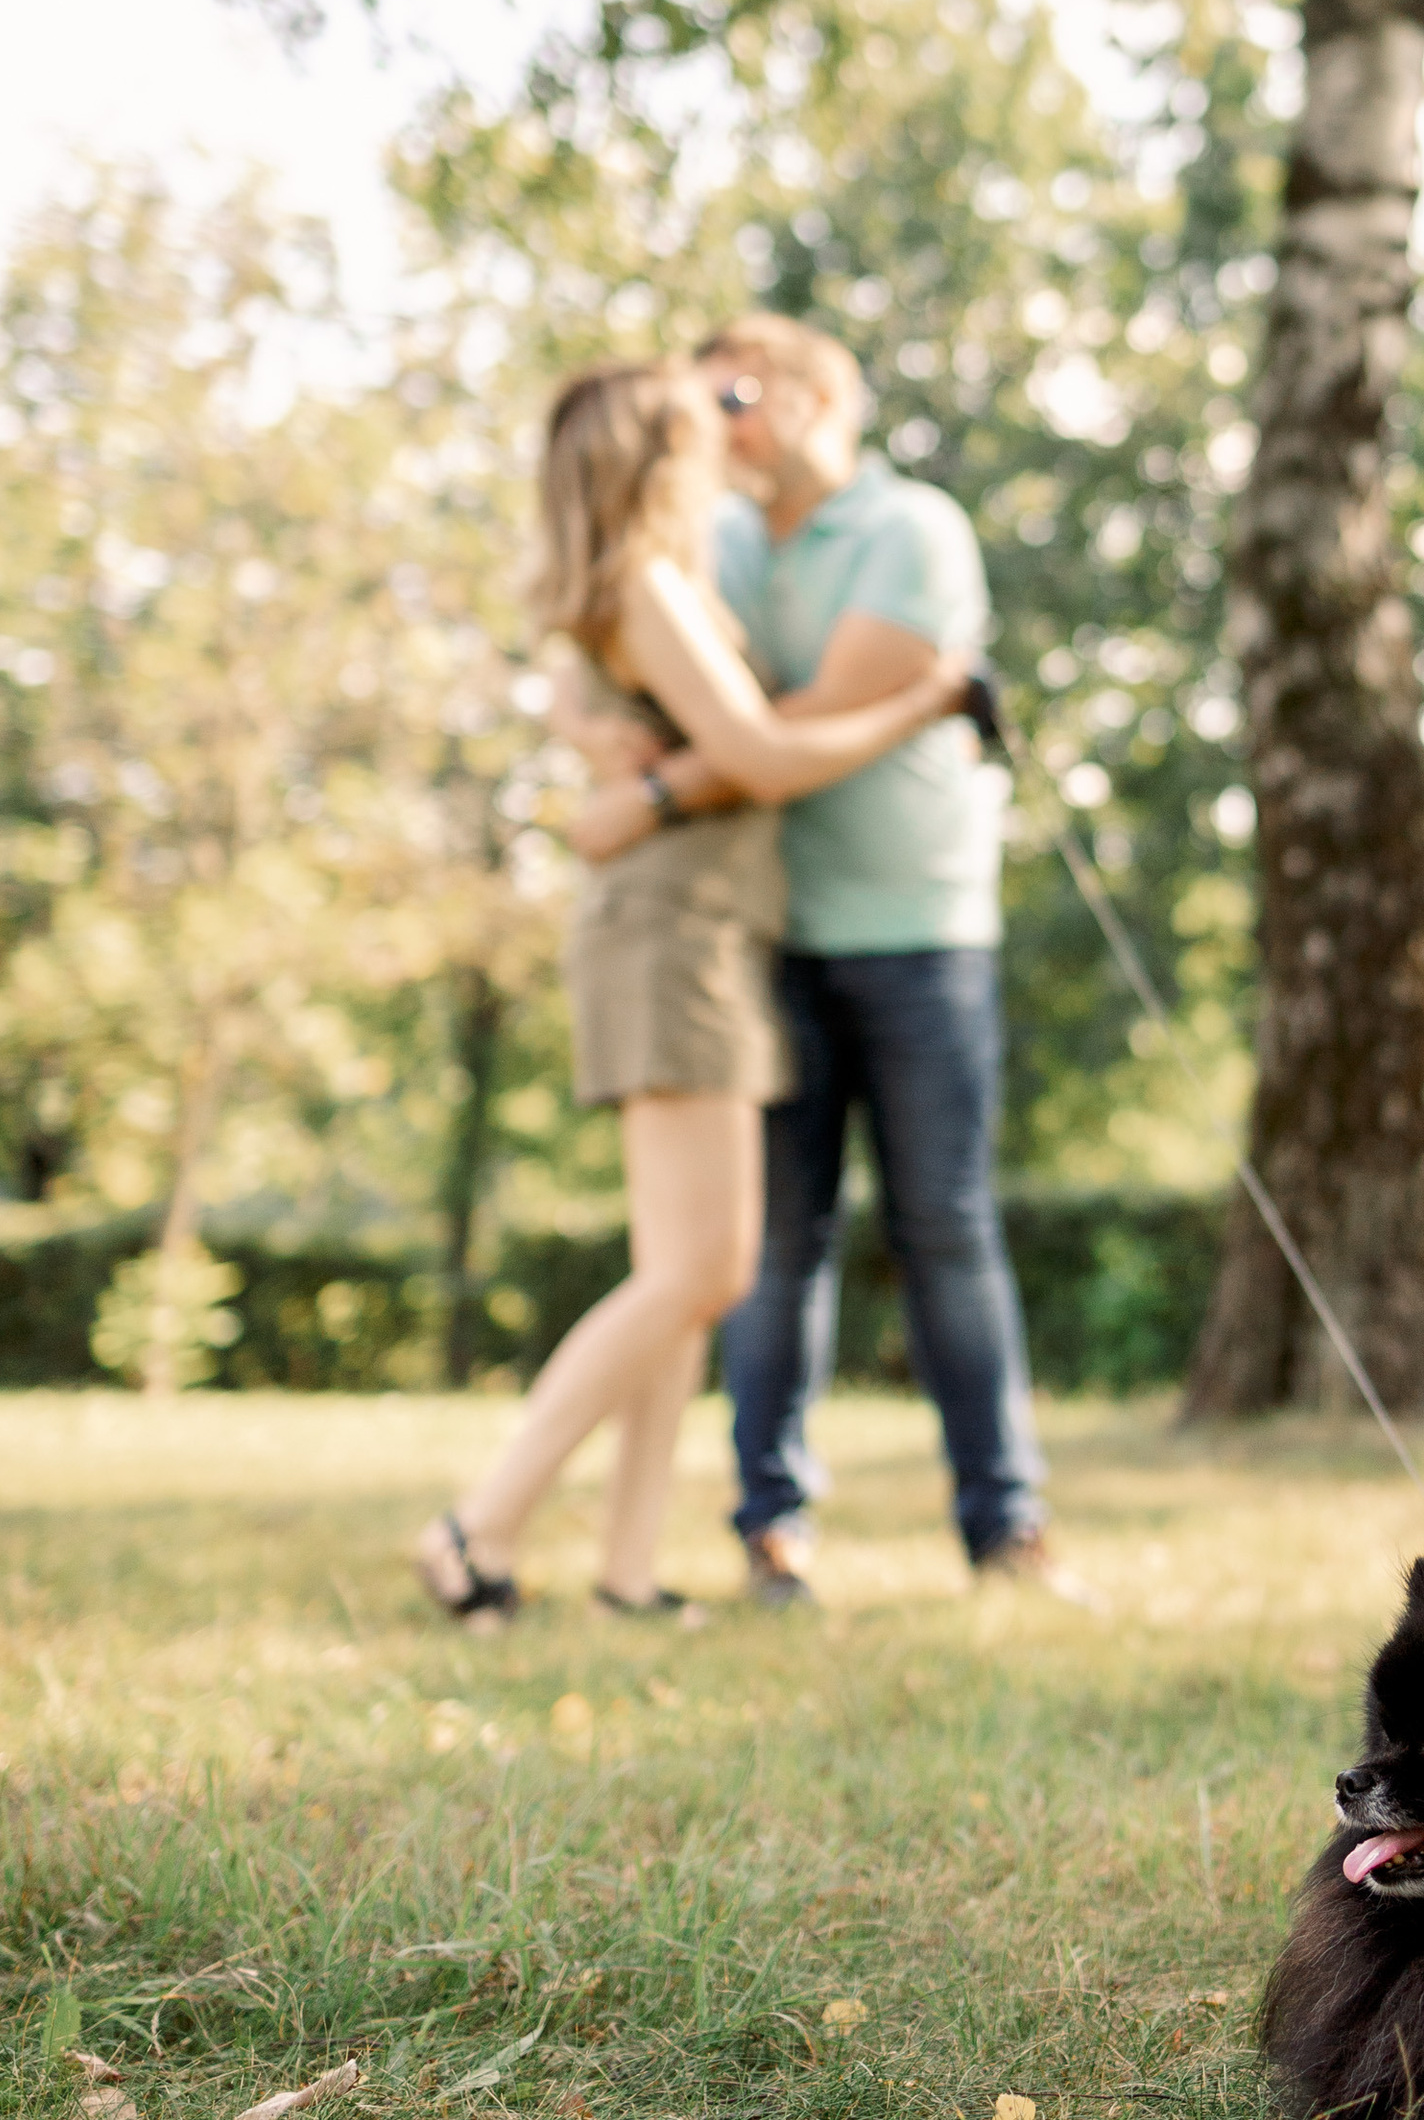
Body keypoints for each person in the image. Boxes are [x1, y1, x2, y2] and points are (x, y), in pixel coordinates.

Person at [414, 357, 964, 1623]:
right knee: (701, 1271)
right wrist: (926, 698)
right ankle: (475, 1526)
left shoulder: (648, 580)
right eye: (701, 417)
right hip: (676, 935)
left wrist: (584, 731)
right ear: (662, 454)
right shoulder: (652, 586)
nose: (729, 431)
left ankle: (624, 1570)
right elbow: (764, 757)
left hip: (692, 926)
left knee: (683, 1268)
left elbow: (593, 686)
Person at [568, 313, 1067, 1598]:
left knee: (945, 1229)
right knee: (774, 1247)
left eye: (728, 393)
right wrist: (624, 746)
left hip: (919, 933)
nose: (706, 424)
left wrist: (661, 788)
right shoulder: (712, 540)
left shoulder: (913, 531)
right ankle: (770, 1529)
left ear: (802, 393)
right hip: (766, 934)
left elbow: (812, 709)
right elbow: (662, 683)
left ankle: (1004, 1530)